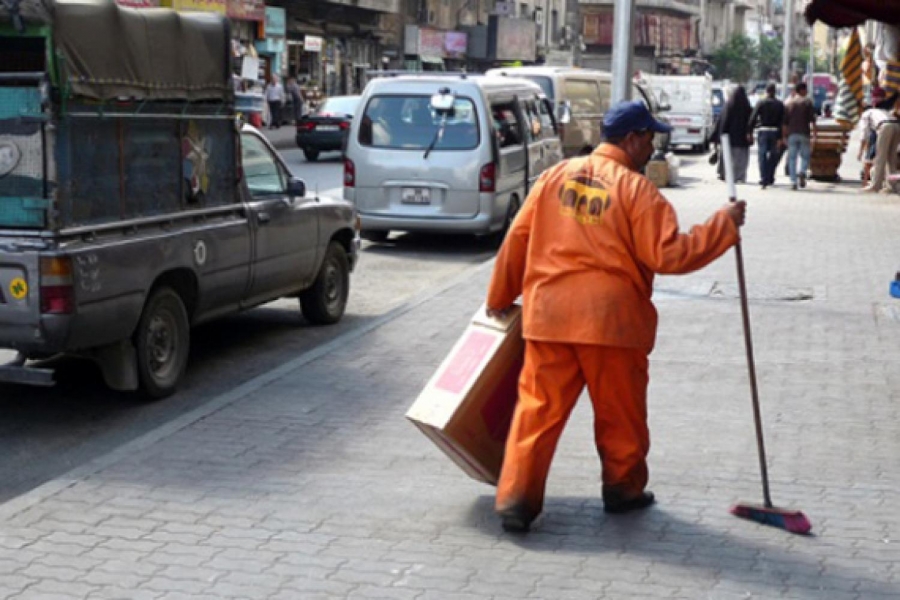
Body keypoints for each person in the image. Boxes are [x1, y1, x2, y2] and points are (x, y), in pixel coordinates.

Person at [484, 100, 747, 533]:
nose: (652, 147)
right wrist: (723, 226)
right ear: (631, 139)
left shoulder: (554, 176)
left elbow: (517, 240)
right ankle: (623, 488)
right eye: (650, 138)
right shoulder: (637, 191)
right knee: (620, 413)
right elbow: (670, 254)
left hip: (549, 316)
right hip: (610, 322)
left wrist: (499, 297)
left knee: (537, 411)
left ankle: (516, 498)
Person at [749, 83, 786, 189]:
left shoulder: (761, 102)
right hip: (775, 132)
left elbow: (753, 117)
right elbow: (782, 122)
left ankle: (764, 178)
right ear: (775, 91)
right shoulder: (780, 104)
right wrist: (781, 137)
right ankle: (770, 176)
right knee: (773, 156)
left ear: (766, 91)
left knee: (762, 155)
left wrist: (749, 131)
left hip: (763, 131)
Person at [782, 82, 817, 190]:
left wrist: (784, 136)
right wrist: (815, 134)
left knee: (792, 158)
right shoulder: (807, 103)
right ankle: (802, 172)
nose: (806, 92)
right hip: (804, 133)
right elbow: (812, 120)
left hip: (792, 134)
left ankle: (793, 181)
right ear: (802, 90)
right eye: (805, 90)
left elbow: (784, 123)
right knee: (805, 156)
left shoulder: (789, 103)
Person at [716, 85, 753, 183]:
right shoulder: (747, 105)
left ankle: (729, 175)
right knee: (742, 159)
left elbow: (724, 120)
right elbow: (751, 121)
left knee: (729, 157)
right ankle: (740, 176)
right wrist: (749, 132)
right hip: (743, 138)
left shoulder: (729, 105)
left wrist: (722, 134)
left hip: (730, 137)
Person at [865, 94, 900, 194]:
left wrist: (864, 151)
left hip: (885, 127)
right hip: (897, 125)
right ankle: (893, 186)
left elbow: (865, 135)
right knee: (891, 159)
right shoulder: (883, 111)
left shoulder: (867, 114)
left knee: (881, 157)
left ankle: (876, 185)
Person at [857, 87, 888, 188]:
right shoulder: (888, 111)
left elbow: (863, 135)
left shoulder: (867, 114)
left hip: (879, 132)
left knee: (869, 160)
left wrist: (860, 151)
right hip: (892, 128)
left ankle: (867, 183)